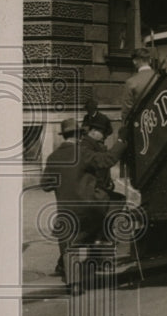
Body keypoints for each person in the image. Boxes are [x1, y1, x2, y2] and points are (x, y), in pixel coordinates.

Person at [41, 117, 127, 292]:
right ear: (79, 135)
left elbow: (46, 185)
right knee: (116, 203)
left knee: (68, 243)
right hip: (91, 207)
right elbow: (108, 159)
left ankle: (74, 285)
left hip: (67, 211)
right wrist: (121, 141)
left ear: (64, 136)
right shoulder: (82, 153)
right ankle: (99, 246)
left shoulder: (52, 157)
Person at [120, 47, 156, 124]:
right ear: (150, 60)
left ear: (135, 61)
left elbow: (127, 110)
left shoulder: (131, 82)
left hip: (141, 124)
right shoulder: (159, 77)